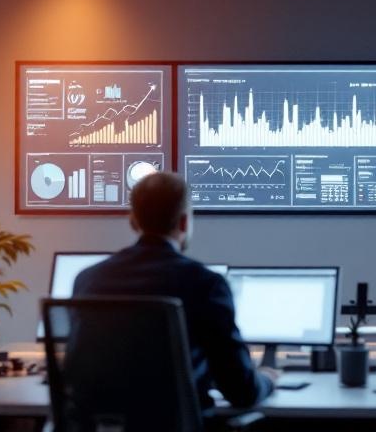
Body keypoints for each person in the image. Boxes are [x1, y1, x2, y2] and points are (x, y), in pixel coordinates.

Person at [73, 171, 277, 409]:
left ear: (133, 221)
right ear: (184, 222)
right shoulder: (205, 284)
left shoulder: (89, 280)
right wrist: (267, 380)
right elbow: (241, 391)